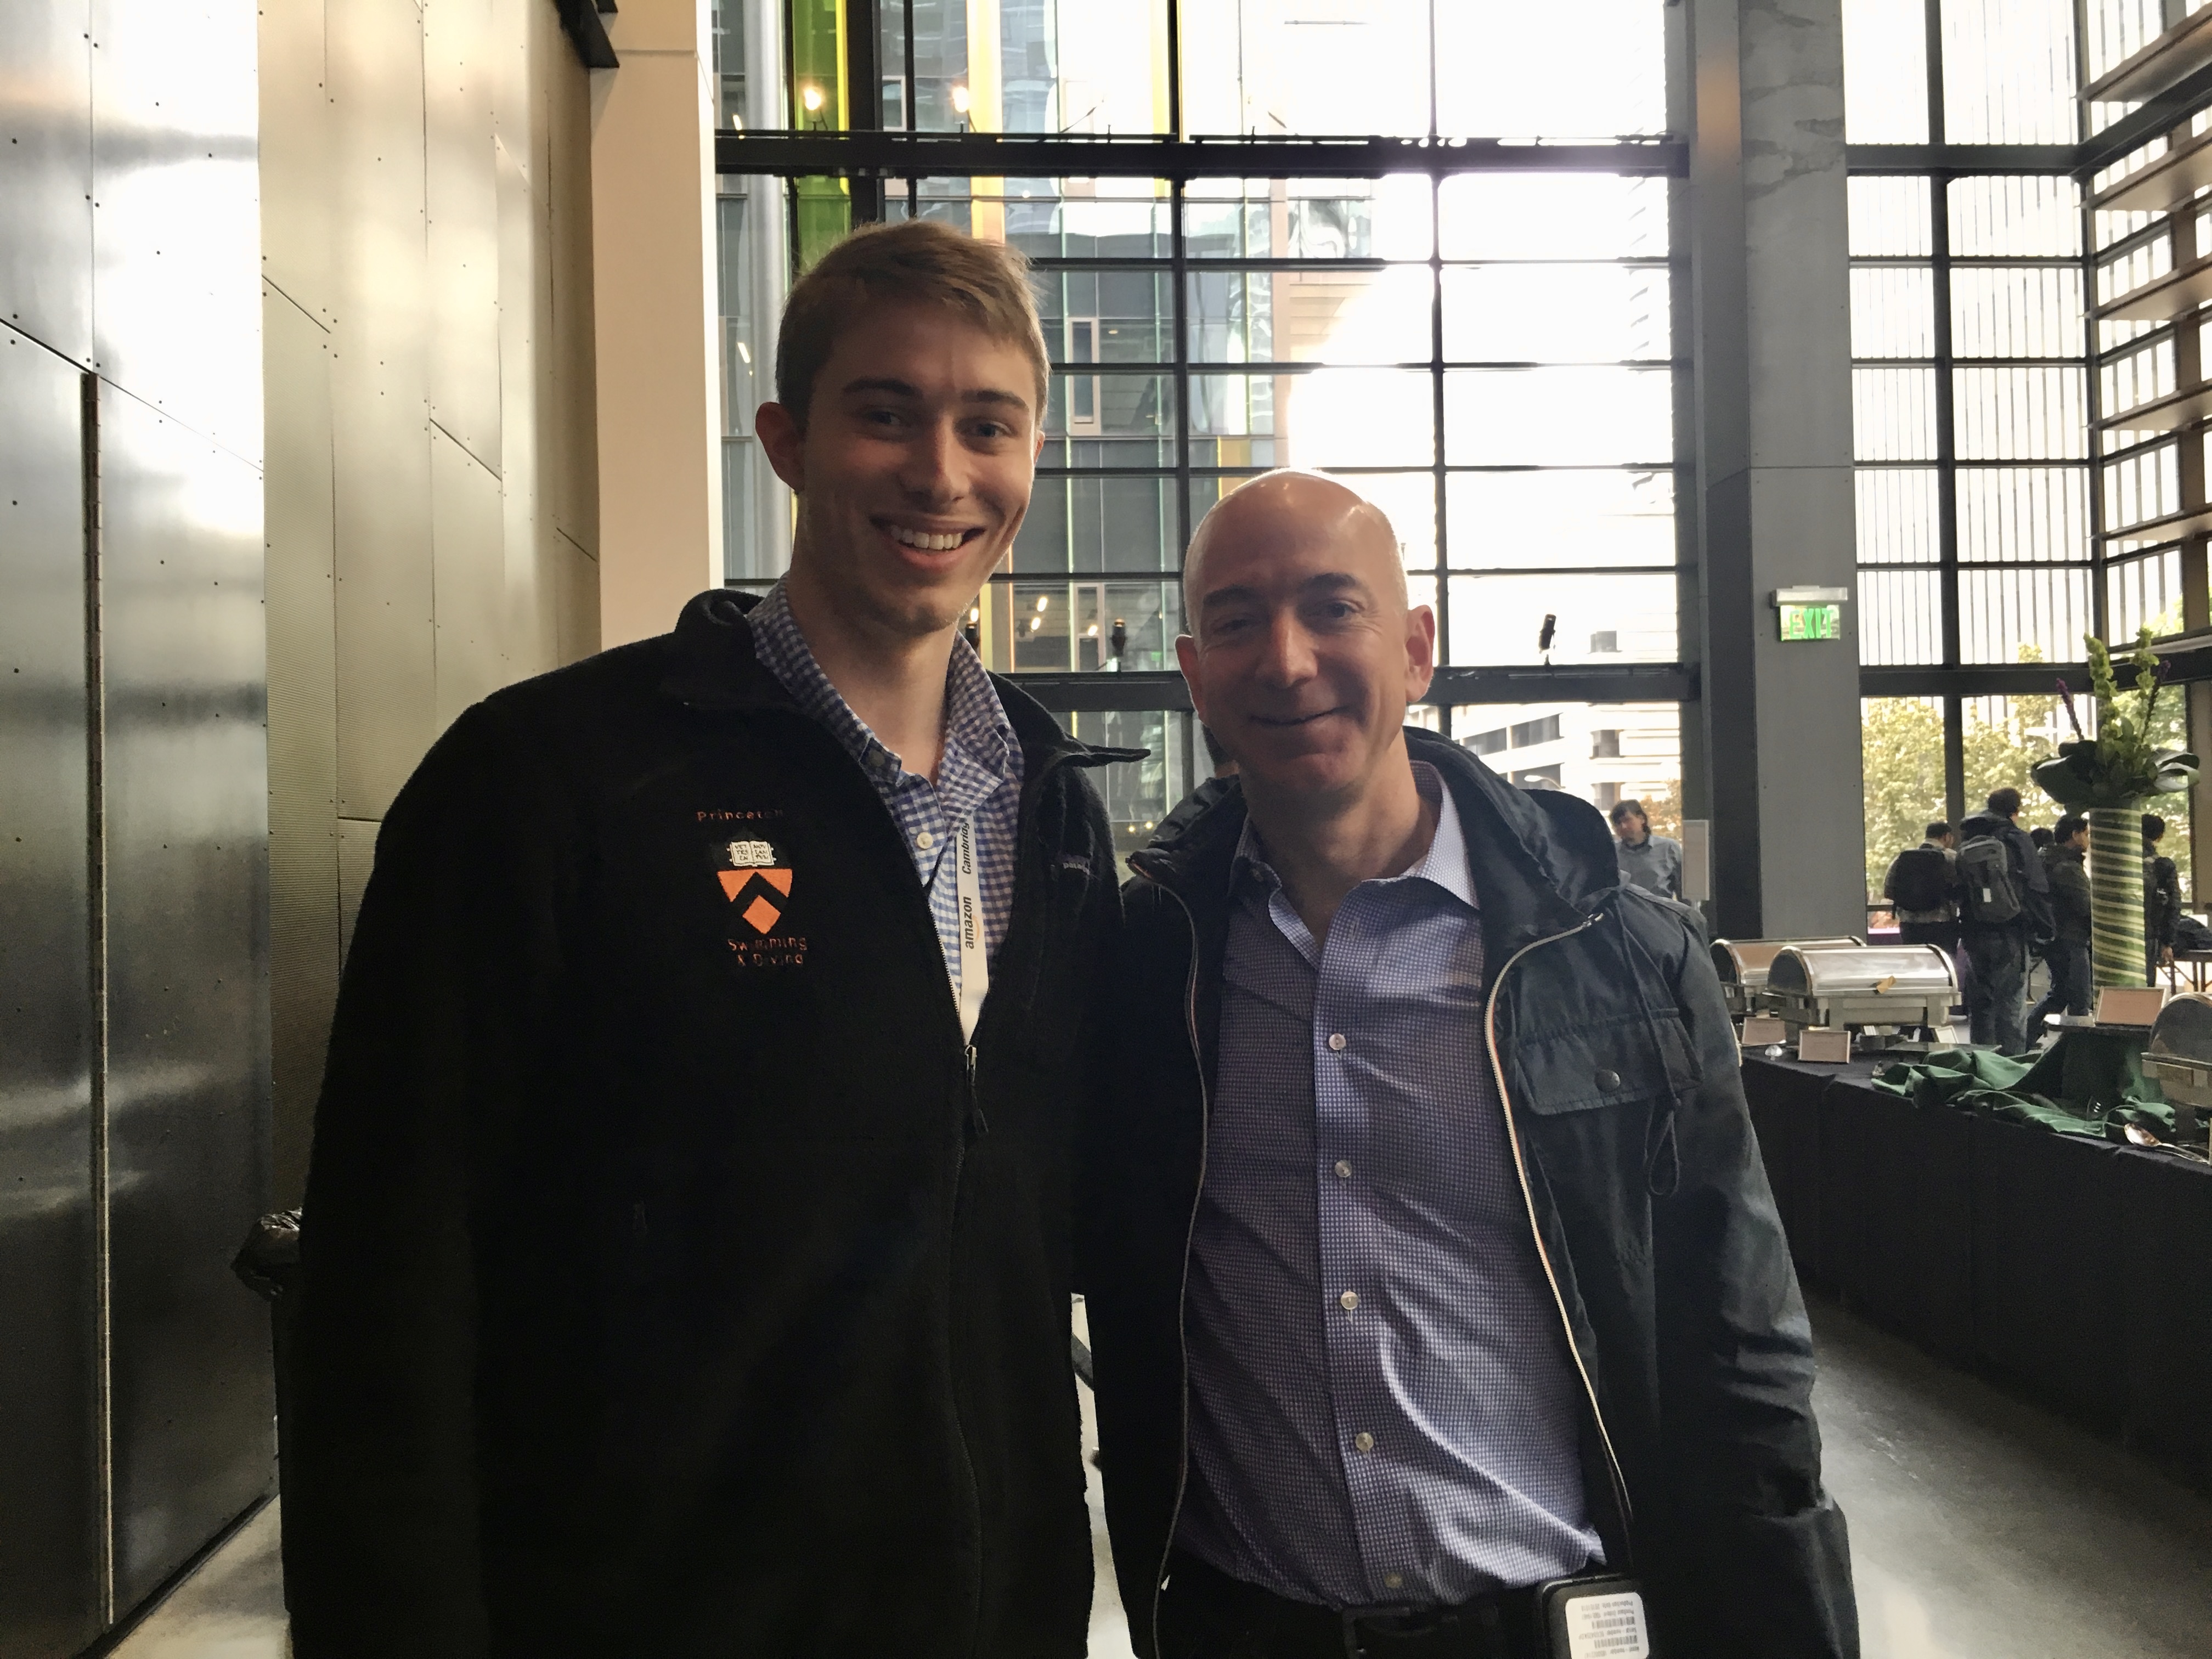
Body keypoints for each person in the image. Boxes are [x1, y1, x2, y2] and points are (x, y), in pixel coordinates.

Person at [287, 220, 1132, 1655]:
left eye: (987, 425)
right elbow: (390, 1293)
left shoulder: (1051, 823)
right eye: (886, 414)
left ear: (1032, 461)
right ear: (786, 441)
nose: (941, 472)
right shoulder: (554, 785)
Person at [1084, 471, 1856, 1659]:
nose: (1285, 661)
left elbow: (1740, 1344)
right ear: (1194, 674)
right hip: (1243, 1627)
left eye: (1332, 608)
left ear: (1415, 647)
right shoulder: (1149, 966)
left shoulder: (1615, 955)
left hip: (1547, 1624)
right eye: (1236, 621)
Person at [2025, 815, 2091, 1040]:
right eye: (2086, 833)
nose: (2088, 839)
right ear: (2075, 835)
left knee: (2061, 992)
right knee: (2080, 998)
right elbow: (2085, 905)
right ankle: (2078, 1049)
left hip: (2052, 936)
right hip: (2071, 937)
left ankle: (2026, 1037)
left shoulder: (2045, 860)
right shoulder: (2067, 867)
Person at [1883, 821, 1959, 954]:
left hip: (1909, 925)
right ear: (1946, 837)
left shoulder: (1902, 858)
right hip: (1942, 924)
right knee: (1943, 965)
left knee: (1914, 964)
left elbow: (1888, 890)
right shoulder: (1951, 858)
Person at [1609, 797, 1683, 899]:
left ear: (1642, 819)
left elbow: (1684, 893)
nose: (1623, 827)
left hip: (1660, 912)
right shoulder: (1612, 854)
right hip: (1624, 913)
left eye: (1627, 820)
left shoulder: (1668, 849)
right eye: (1618, 824)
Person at [2145, 812, 2182, 985]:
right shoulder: (2163, 866)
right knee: (2146, 985)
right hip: (2150, 934)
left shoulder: (2118, 860)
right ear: (2159, 837)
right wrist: (2167, 942)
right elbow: (2173, 904)